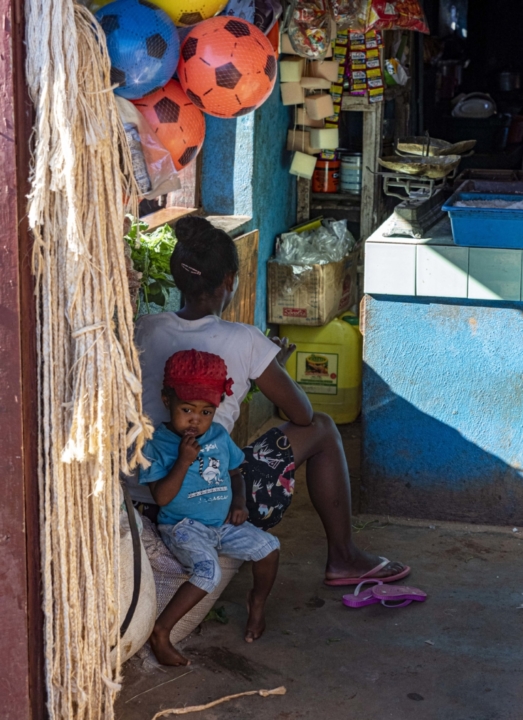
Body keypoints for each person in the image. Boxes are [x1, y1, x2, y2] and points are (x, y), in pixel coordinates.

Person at [133, 216, 410, 586]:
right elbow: (302, 414)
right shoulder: (246, 339)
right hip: (201, 501)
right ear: (230, 281)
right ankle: (344, 557)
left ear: (177, 278)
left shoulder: (144, 327)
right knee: (324, 427)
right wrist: (274, 366)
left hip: (142, 492)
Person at [139, 349, 280, 666]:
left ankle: (257, 603)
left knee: (269, 548)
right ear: (166, 400)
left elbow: (235, 472)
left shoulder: (218, 435)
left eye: (206, 412)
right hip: (183, 527)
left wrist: (240, 502)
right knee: (208, 572)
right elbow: (161, 498)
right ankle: (161, 631)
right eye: (186, 409)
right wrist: (183, 460)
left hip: (222, 525)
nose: (196, 419)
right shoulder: (156, 444)